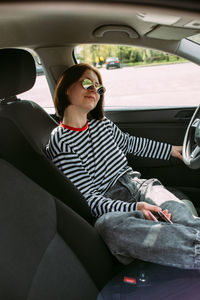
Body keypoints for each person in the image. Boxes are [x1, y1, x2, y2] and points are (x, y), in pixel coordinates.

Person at [46, 63, 200, 270]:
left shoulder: (102, 124)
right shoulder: (61, 141)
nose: (94, 90)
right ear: (66, 87)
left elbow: (131, 143)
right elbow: (89, 199)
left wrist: (171, 150)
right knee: (108, 226)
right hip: (110, 203)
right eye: (86, 83)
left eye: (99, 87)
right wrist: (134, 208)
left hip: (140, 186)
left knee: (183, 217)